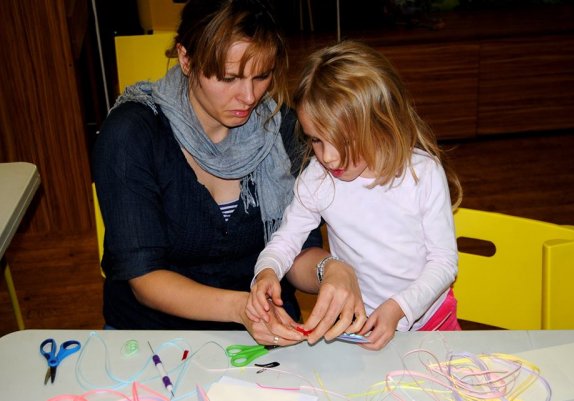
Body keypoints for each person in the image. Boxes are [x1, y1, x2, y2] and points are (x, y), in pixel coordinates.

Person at [92, 0, 365, 345]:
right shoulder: (132, 135)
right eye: (228, 78)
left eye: (262, 76)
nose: (249, 96)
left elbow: (297, 251)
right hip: (153, 338)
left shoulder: (283, 127)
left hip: (265, 333)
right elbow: (144, 278)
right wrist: (241, 308)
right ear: (186, 59)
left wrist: (330, 270)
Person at [247, 40, 463, 350]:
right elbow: (286, 240)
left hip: (430, 323)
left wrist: (398, 308)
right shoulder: (317, 179)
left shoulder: (422, 173)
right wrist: (266, 271)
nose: (329, 157)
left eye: (343, 142)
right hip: (356, 326)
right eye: (316, 140)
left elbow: (444, 263)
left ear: (379, 124)